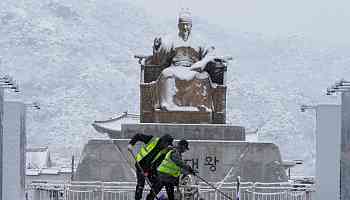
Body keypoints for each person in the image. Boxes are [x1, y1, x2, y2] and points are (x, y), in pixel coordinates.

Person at [128, 134, 174, 200]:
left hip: (150, 168)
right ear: (163, 141)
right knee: (141, 184)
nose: (167, 146)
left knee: (158, 182)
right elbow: (138, 136)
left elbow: (157, 163)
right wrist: (131, 144)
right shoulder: (152, 139)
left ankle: (150, 198)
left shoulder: (164, 150)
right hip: (140, 163)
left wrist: (149, 172)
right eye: (167, 144)